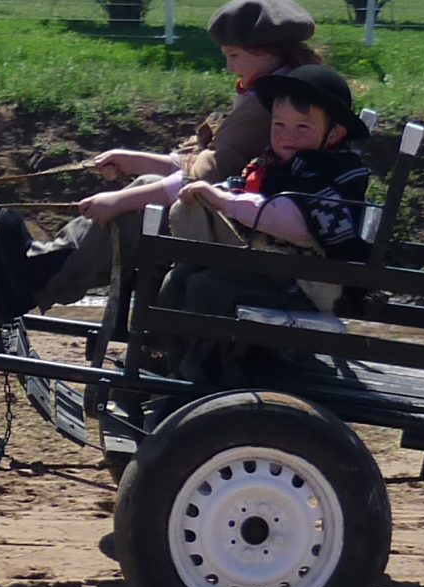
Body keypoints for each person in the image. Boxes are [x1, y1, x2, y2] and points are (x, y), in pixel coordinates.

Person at [0, 0, 328, 313]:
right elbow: (209, 163)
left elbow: (207, 174)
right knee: (148, 189)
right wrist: (132, 158)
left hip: (257, 231)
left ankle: (44, 273)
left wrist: (119, 201)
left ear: (265, 52)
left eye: (233, 56)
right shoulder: (284, 91)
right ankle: (44, 269)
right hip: (253, 217)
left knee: (145, 204)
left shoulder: (269, 103)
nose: (229, 67)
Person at [159, 63, 373, 381]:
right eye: (279, 125)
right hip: (268, 270)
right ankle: (177, 363)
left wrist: (225, 201)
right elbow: (242, 190)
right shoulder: (273, 165)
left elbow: (290, 218)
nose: (287, 136)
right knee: (179, 280)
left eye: (303, 127)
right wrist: (214, 194)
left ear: (336, 133)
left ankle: (203, 375)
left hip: (304, 285)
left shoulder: (333, 173)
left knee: (209, 288)